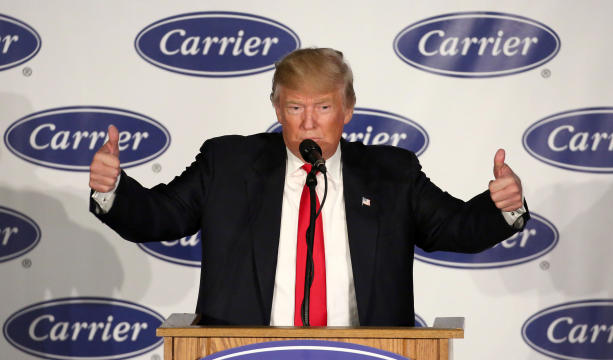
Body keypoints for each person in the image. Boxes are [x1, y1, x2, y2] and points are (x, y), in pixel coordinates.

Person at [89, 48, 528, 327]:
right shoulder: (227, 163)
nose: (310, 121)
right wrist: (115, 190)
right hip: (244, 355)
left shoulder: (391, 173)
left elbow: (452, 228)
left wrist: (500, 207)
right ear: (277, 108)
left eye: (323, 106)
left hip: (365, 355)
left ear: (348, 110)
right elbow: (162, 216)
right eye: (296, 106)